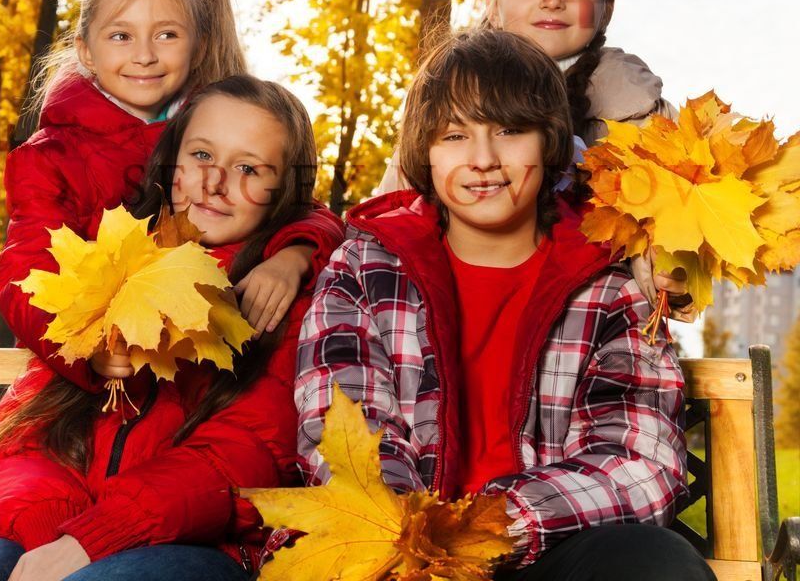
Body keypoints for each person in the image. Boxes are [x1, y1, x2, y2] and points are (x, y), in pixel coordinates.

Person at [296, 30, 713, 580]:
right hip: (390, 550)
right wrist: (413, 543)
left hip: (540, 544)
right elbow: (341, 425)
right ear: (424, 150)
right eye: (454, 136)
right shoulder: (366, 266)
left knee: (655, 562)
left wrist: (487, 525)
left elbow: (637, 462)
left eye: (511, 131)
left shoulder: (607, 280)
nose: (483, 159)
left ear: (551, 143)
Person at [0, 76, 343, 581]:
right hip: (59, 532)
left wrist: (96, 539)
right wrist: (57, 538)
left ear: (284, 190)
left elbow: (243, 457)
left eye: (248, 168)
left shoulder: (288, 298)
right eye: (200, 155)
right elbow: (21, 437)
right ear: (170, 162)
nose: (215, 182)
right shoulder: (110, 267)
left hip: (205, 551)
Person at [0, 0, 344, 397]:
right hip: (79, 379)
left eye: (166, 35)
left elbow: (301, 207)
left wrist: (295, 255)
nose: (144, 56)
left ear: (197, 45)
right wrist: (85, 348)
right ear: (85, 48)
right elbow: (25, 271)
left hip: (191, 372)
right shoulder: (50, 156)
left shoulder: (211, 126)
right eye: (121, 36)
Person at [375, 0, 692, 320]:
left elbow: (686, 236)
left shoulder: (643, 115)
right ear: (490, 1)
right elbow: (391, 210)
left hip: (589, 332)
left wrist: (670, 272)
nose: (551, 0)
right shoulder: (446, 94)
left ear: (606, 9)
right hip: (450, 314)